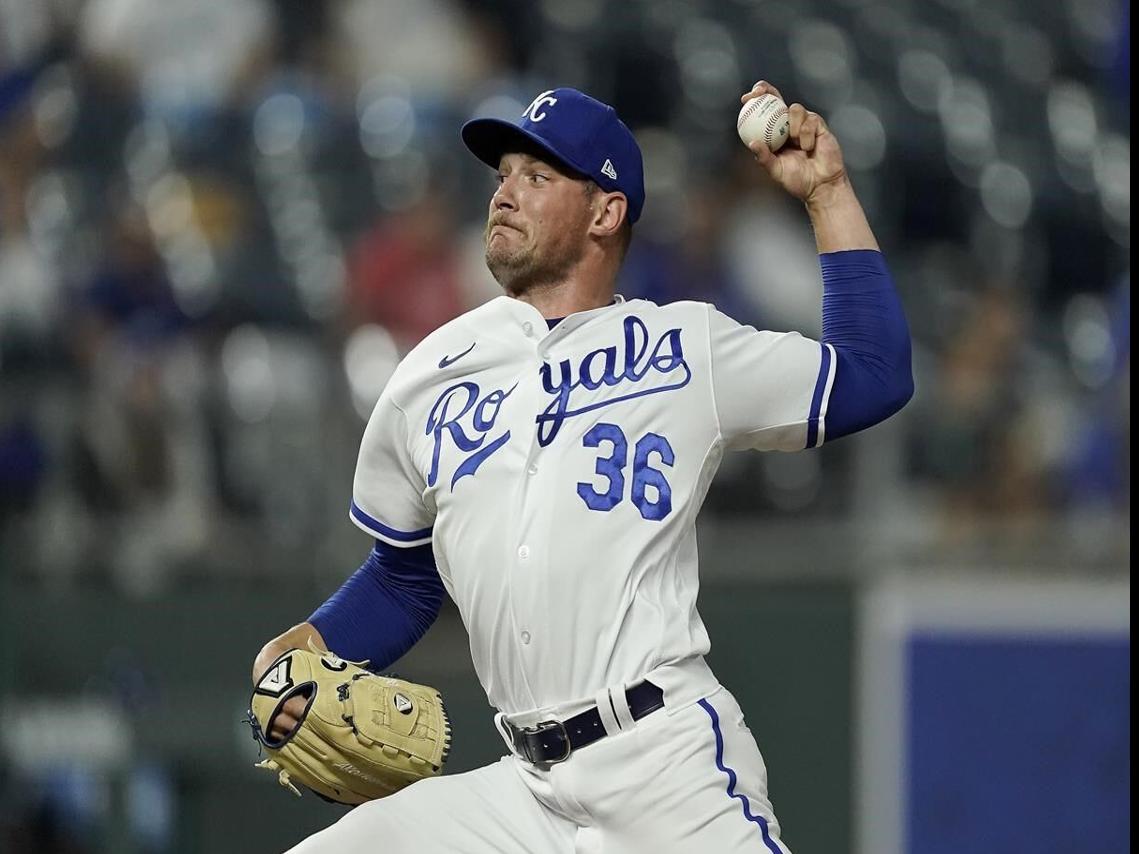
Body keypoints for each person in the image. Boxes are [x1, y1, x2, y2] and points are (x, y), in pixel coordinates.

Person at [252, 81, 913, 853]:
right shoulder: (431, 372)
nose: (505, 193)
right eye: (503, 174)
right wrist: (309, 643)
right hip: (521, 791)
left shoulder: (683, 348)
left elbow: (871, 372)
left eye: (537, 177)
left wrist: (826, 193)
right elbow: (405, 575)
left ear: (605, 212)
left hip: (662, 765)